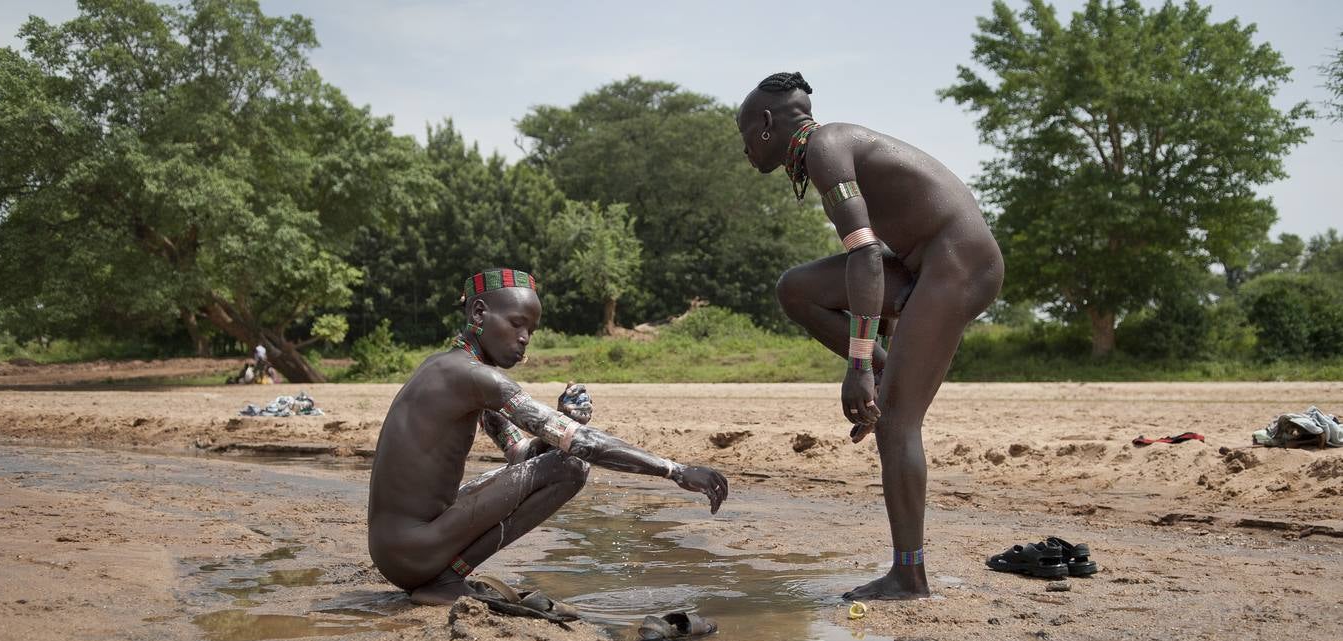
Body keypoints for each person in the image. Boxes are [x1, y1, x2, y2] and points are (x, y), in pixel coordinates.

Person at [736, 72, 1004, 601]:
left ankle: (909, 576)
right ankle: (885, 372)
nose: (745, 151)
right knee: (796, 289)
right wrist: (875, 358)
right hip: (917, 265)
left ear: (767, 124)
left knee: (898, 424)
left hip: (958, 265)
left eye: (745, 136)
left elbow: (863, 257)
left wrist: (857, 363)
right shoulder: (823, 152)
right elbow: (869, 259)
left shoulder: (825, 147)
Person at [367, 267, 730, 605]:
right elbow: (580, 446)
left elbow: (522, 454)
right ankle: (447, 581)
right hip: (413, 552)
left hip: (399, 551)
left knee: (564, 458)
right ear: (479, 314)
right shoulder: (471, 376)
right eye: (516, 324)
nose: (524, 339)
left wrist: (564, 421)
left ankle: (445, 578)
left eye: (531, 330)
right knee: (573, 465)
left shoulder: (450, 367)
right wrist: (674, 470)